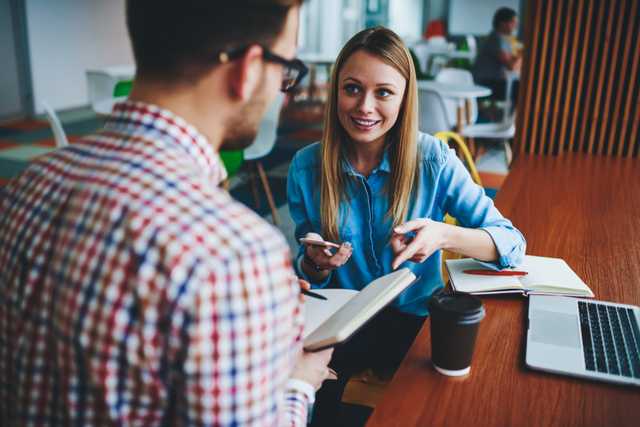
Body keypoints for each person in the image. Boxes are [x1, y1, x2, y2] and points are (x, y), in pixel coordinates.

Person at [0, 1, 333, 425]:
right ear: (248, 69)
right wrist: (298, 385)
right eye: (285, 68)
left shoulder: (30, 183)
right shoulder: (234, 253)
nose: (280, 90)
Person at [287, 26, 526, 426]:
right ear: (336, 92)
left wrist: (443, 235)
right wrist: (314, 263)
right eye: (352, 89)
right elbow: (308, 266)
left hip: (413, 325)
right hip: (343, 323)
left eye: (383, 92)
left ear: (403, 98)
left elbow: (511, 243)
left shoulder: (432, 159)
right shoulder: (305, 167)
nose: (365, 107)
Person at [472, 7, 521, 103]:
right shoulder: (496, 38)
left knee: (519, 86)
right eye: (512, 22)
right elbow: (512, 66)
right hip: (484, 82)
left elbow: (512, 60)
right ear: (502, 22)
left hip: (494, 80)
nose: (515, 26)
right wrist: (523, 53)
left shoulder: (505, 39)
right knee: (520, 89)